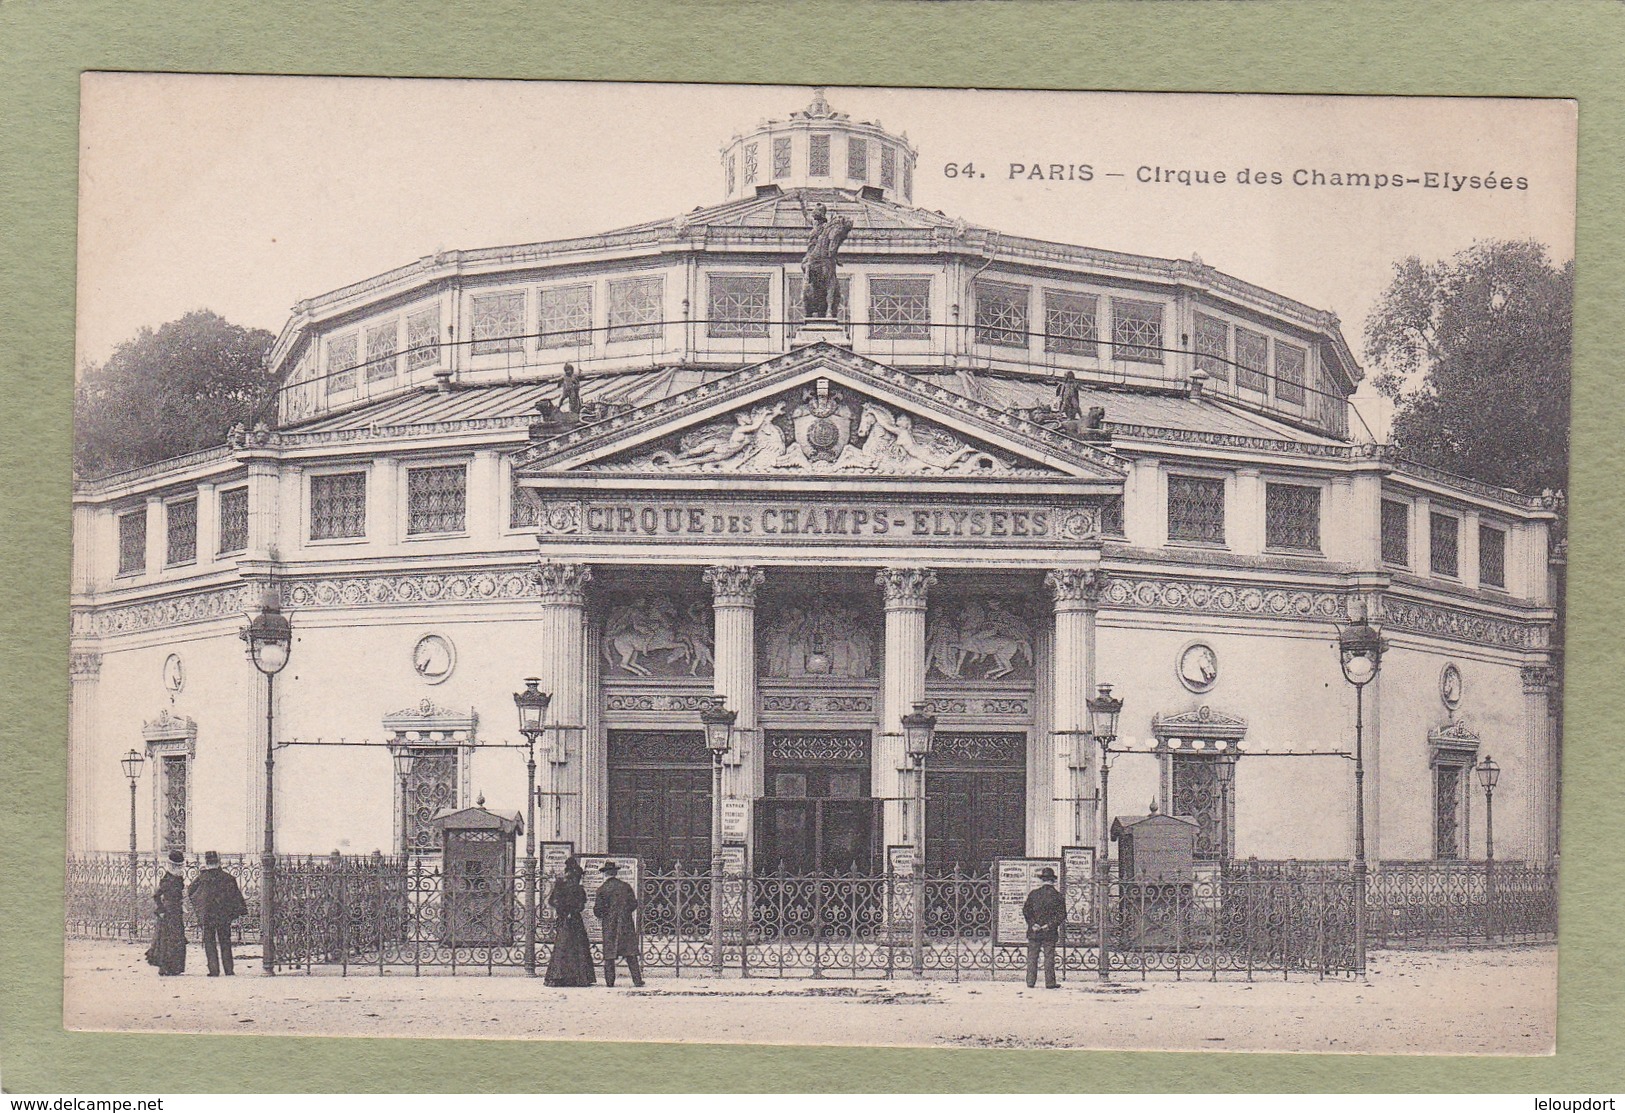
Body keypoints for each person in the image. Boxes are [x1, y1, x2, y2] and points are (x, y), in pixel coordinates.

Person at [186, 850, 248, 976]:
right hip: (223, 916)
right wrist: (232, 912)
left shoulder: (202, 878)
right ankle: (229, 969)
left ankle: (213, 970)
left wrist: (200, 907)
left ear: (206, 862)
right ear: (219, 862)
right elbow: (235, 897)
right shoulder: (228, 878)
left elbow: (190, 891)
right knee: (225, 941)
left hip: (208, 916)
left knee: (209, 942)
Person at [543, 857, 596, 987]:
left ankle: (559, 977)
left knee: (562, 947)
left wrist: (563, 910)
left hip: (564, 920)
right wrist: (572, 910)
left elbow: (552, 901)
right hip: (575, 920)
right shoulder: (578, 889)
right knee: (578, 948)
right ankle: (579, 978)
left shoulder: (560, 885)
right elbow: (581, 905)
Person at [591, 860, 644, 987]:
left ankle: (610, 982)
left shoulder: (602, 890)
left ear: (605, 874)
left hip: (609, 924)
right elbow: (634, 904)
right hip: (625, 923)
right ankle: (637, 980)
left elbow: (598, 911)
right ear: (615, 873)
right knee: (630, 953)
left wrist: (605, 914)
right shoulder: (625, 887)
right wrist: (624, 913)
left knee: (609, 954)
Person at [1022, 866, 1066, 989]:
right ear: (1053, 881)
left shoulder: (1034, 894)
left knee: (1032, 957)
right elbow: (1062, 915)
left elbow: (1026, 911)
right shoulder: (1058, 896)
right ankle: (1050, 982)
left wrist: (1032, 924)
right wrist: (1049, 925)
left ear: (1042, 880)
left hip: (1034, 931)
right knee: (1049, 957)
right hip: (1049, 932)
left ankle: (1030, 982)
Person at [146, 849, 187, 976]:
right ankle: (165, 967)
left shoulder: (178, 878)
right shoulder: (167, 879)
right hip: (168, 912)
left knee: (177, 939)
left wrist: (182, 903)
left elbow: (178, 895)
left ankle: (175, 967)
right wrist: (161, 910)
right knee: (166, 940)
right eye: (177, 865)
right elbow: (156, 896)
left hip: (176, 911)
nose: (179, 868)